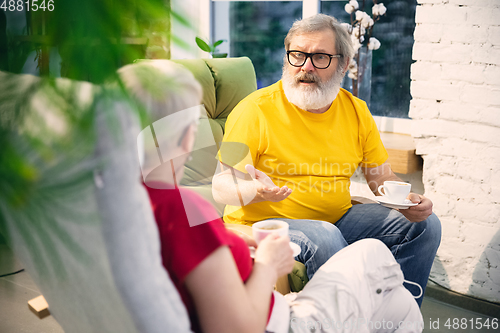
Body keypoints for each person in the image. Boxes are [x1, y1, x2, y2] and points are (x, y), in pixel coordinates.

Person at [119, 60, 424, 333]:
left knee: (399, 303)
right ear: (186, 135)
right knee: (374, 260)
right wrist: (266, 266)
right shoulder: (176, 211)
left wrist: (236, 242)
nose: (306, 66)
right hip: (282, 323)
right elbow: (234, 325)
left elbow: (196, 263)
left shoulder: (118, 205)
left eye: (319, 57)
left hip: (280, 299)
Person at [212, 14, 441, 307]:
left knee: (425, 225)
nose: (305, 67)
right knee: (325, 235)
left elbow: (380, 177)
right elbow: (221, 185)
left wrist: (408, 200)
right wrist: (253, 190)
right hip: (267, 221)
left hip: (339, 217)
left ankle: (396, 318)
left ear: (344, 64)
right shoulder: (253, 110)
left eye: (319, 57)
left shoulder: (356, 111)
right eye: (297, 55)